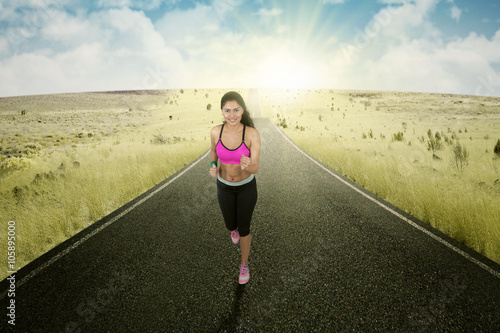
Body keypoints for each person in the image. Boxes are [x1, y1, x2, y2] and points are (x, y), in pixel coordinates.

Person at [209, 91, 261, 284]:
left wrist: (249, 166)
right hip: (224, 186)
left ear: (242, 110)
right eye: (227, 110)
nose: (232, 115)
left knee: (245, 227)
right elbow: (214, 151)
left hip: (246, 187)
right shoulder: (216, 132)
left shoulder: (251, 134)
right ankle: (233, 229)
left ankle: (244, 264)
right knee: (231, 224)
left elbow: (256, 167)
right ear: (222, 112)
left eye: (236, 110)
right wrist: (213, 166)